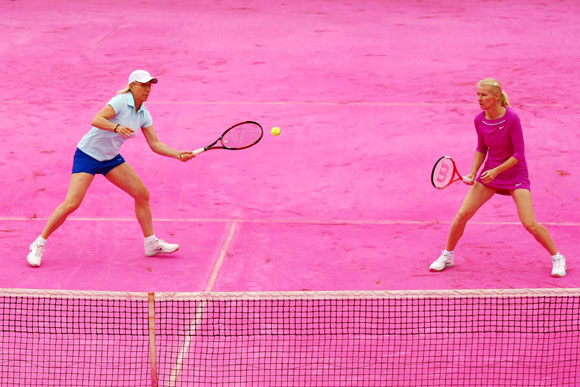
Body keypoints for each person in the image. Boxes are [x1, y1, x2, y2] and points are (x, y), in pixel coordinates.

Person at [26, 70, 194, 267]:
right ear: (132, 86)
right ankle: (39, 243)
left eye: (149, 86)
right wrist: (116, 128)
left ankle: (151, 244)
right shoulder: (120, 101)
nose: (147, 90)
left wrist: (177, 154)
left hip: (110, 158)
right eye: (143, 85)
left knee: (142, 194)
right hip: (88, 155)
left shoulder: (143, 113)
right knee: (72, 203)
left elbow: (155, 143)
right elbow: (96, 119)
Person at [429, 78, 566, 277]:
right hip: (490, 174)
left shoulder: (511, 118)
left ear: (496, 96)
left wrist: (496, 171)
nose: (479, 98)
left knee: (530, 223)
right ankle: (447, 255)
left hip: (515, 174)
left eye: (483, 95)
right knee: (462, 215)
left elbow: (519, 154)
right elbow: (482, 148)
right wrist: (474, 171)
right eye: (477, 94)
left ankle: (557, 257)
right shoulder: (479, 120)